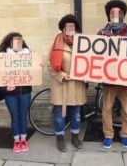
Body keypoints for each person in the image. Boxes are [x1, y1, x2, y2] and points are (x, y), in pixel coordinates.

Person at [97, 0, 127, 149]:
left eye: (119, 13)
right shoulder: (101, 33)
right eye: (113, 13)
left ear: (123, 15)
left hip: (125, 78)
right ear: (108, 16)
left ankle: (125, 134)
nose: (116, 15)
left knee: (126, 109)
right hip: (108, 78)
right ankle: (108, 134)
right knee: (106, 108)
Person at [49, 14, 87, 152]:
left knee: (76, 114)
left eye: (73, 28)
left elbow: (90, 62)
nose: (70, 31)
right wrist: (61, 75)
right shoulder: (55, 43)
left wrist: (87, 75)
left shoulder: (84, 43)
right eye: (67, 28)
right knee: (59, 114)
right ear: (63, 29)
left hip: (77, 85)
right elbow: (50, 64)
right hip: (61, 86)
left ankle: (75, 137)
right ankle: (60, 138)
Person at [0, 32, 33, 153]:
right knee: (15, 118)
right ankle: (16, 141)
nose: (17, 44)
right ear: (10, 43)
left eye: (19, 41)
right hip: (10, 94)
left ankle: (24, 140)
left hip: (25, 92)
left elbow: (34, 73)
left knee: (23, 117)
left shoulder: (29, 55)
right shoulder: (3, 57)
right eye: (14, 41)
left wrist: (38, 66)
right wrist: (5, 88)